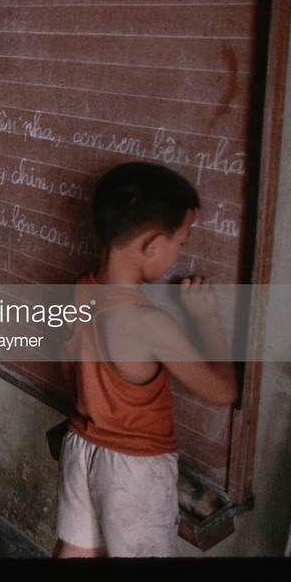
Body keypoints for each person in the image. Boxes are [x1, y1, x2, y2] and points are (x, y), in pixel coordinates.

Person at [53, 161, 238, 558]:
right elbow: (223, 391)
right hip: (134, 471)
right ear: (153, 244)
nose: (179, 254)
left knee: (74, 553)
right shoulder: (147, 323)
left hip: (82, 444)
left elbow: (72, 371)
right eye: (181, 242)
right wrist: (206, 319)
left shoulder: (80, 290)